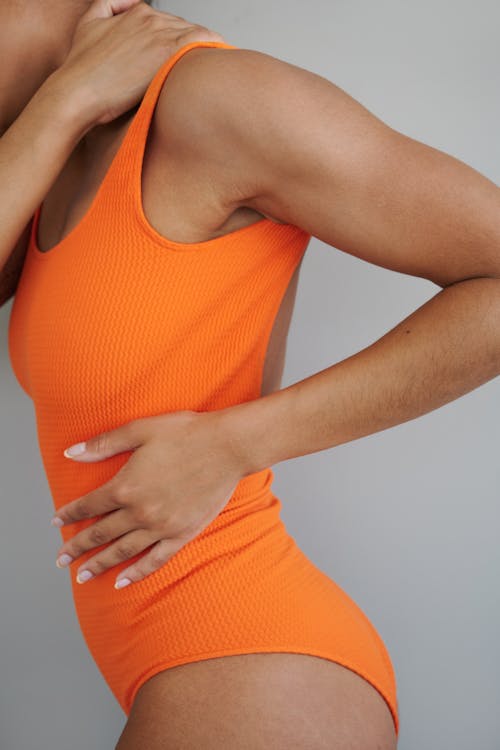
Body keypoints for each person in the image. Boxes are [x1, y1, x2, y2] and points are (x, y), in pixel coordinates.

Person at [2, 1, 500, 748]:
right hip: (172, 660)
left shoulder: (217, 101)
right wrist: (63, 103)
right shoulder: (58, 141)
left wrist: (234, 443)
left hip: (253, 656)